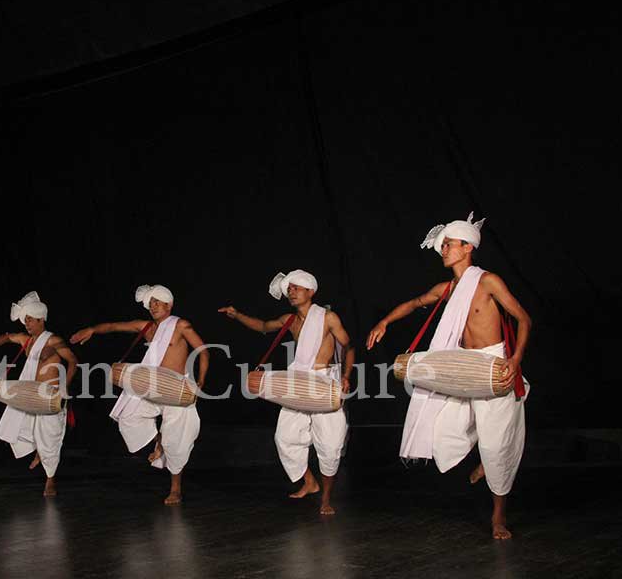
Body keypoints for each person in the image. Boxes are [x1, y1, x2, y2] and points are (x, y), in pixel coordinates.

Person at [366, 212, 531, 539]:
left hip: (493, 366)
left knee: (496, 449)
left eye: (449, 244)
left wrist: (515, 359)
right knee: (442, 432)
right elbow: (414, 303)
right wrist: (384, 321)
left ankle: (498, 516)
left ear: (468, 247)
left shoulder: (488, 281)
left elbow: (524, 319)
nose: (443, 250)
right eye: (442, 245)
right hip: (462, 367)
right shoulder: (446, 289)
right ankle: (485, 451)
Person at [219, 269, 354, 514]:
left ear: (310, 291)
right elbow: (263, 326)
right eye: (289, 289)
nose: (291, 292)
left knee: (330, 446)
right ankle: (310, 482)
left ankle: (326, 498)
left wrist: (345, 376)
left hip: (323, 384)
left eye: (296, 288)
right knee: (285, 438)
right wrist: (237, 315)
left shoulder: (328, 317)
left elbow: (349, 346)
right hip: (297, 383)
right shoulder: (289, 320)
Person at [71, 284, 208, 505]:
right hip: (151, 385)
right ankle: (158, 440)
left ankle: (175, 489)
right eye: (150, 303)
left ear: (169, 305)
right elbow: (114, 326)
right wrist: (92, 330)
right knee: (128, 416)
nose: (153, 306)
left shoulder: (180, 325)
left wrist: (200, 382)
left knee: (177, 442)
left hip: (176, 389)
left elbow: (203, 351)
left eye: (157, 302)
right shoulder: (146, 327)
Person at [0, 291, 78, 496]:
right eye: (25, 320)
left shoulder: (53, 341)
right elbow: (7, 336)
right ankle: (39, 452)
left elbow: (73, 361)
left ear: (41, 319)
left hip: (50, 395)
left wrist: (64, 388)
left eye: (30, 319)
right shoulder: (27, 341)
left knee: (50, 438)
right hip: (31, 394)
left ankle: (50, 479)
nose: (27, 324)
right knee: (21, 426)